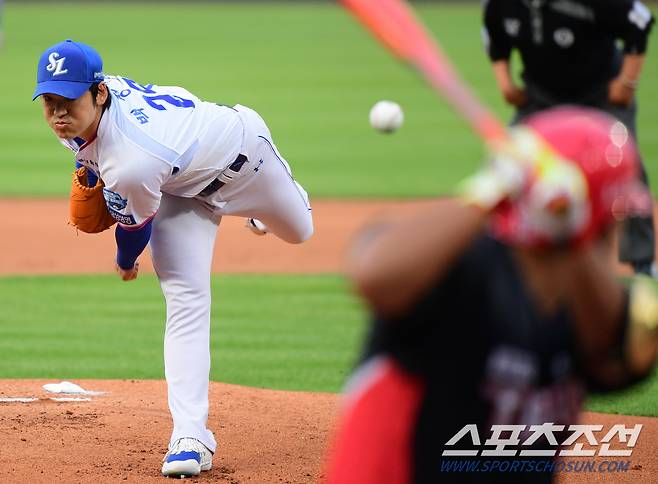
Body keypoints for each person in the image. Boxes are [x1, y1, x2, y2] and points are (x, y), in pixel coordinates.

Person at [323, 107, 658, 483]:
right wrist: (493, 187)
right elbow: (374, 276)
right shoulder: (461, 270)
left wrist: (569, 233)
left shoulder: (587, 312)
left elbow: (621, 354)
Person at [32, 39, 313, 478]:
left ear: (99, 93)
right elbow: (103, 162)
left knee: (299, 232)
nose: (58, 113)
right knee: (184, 297)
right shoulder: (89, 117)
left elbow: (134, 228)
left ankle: (271, 207)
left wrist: (125, 263)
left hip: (246, 159)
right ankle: (190, 435)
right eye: (49, 101)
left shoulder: (132, 161)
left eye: (68, 100)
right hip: (181, 189)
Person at [482, 0, 656, 276]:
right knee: (508, 166)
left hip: (601, 95)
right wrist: (505, 83)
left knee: (627, 169)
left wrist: (627, 83)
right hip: (540, 96)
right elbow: (494, 35)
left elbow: (640, 21)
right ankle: (502, 260)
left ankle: (643, 263)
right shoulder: (502, 3)